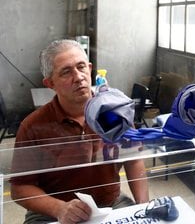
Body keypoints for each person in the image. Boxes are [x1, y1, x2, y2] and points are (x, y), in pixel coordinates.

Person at [10, 39, 149, 224]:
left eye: (81, 67)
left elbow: (134, 161)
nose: (78, 77)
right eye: (66, 72)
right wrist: (58, 208)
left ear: (90, 68)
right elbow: (20, 188)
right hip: (53, 211)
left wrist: (144, 206)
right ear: (50, 83)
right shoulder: (33, 126)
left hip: (110, 203)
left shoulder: (114, 112)